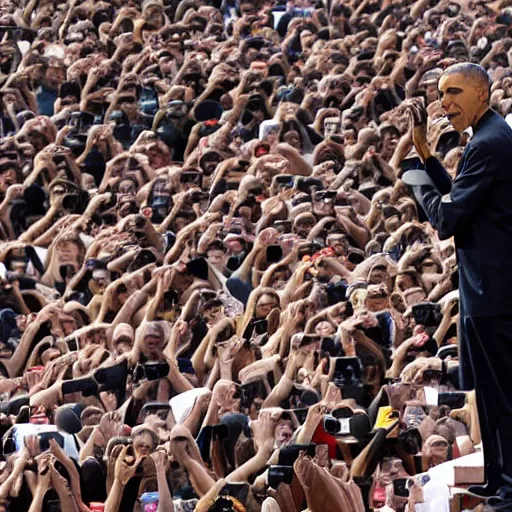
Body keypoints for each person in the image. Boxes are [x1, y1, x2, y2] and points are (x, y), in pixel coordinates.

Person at [406, 62, 512, 504]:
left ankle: (509, 487)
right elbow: (464, 198)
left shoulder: (490, 143)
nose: (444, 103)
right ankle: (497, 478)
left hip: (495, 292)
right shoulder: (487, 138)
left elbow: (447, 218)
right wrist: (427, 156)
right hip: (483, 288)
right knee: (487, 394)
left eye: (453, 93)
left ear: (481, 95)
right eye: (441, 94)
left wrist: (417, 182)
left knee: (502, 394)